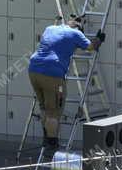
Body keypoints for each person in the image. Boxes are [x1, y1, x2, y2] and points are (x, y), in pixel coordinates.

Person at [27, 18, 104, 152]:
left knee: (44, 107)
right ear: (79, 28)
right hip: (53, 73)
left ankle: (46, 137)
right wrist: (99, 39)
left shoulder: (50, 28)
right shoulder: (76, 34)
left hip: (34, 70)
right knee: (54, 111)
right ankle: (52, 144)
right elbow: (91, 47)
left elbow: (52, 43)